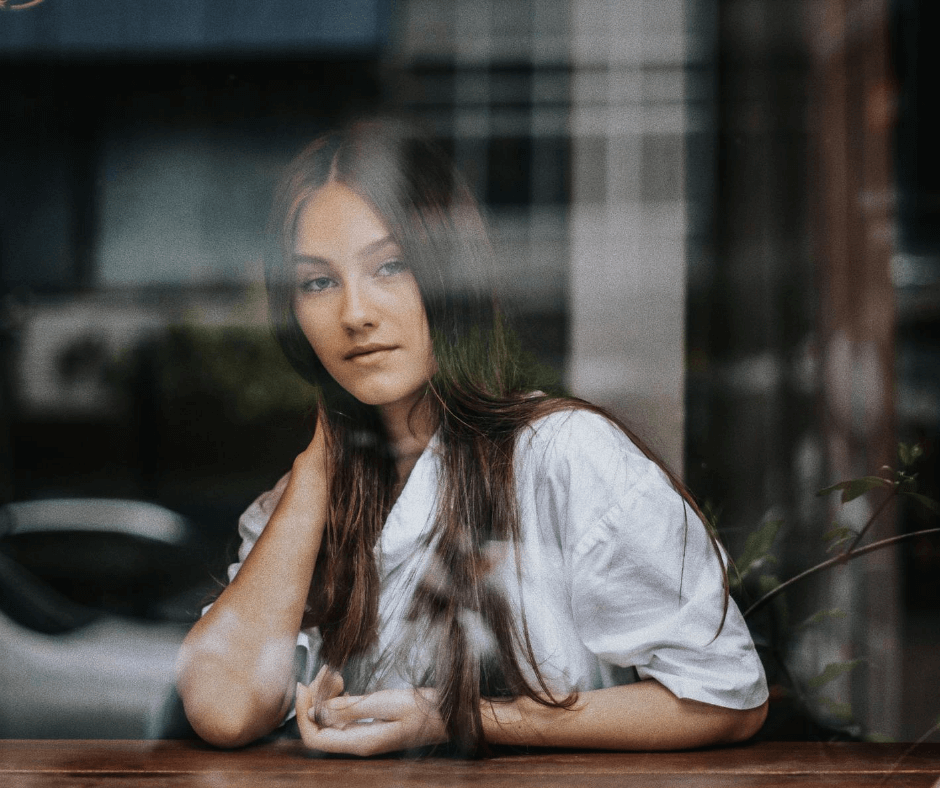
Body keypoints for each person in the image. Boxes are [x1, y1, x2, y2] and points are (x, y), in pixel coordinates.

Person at [176, 118, 769, 756]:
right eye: (317, 281)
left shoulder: (561, 454)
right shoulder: (300, 507)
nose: (355, 313)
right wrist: (320, 462)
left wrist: (461, 717)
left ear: (447, 272)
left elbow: (723, 699)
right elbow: (225, 710)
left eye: (390, 266)